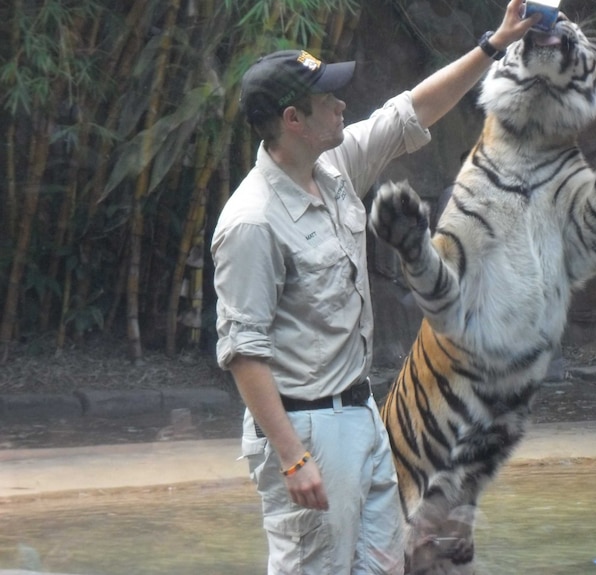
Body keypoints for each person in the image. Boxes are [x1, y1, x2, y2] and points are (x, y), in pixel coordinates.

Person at [210, 3, 540, 574]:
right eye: (327, 100)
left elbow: (410, 111)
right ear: (293, 119)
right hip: (306, 428)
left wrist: (494, 46)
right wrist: (291, 458)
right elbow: (244, 353)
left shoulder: (333, 166)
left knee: (384, 566)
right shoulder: (252, 222)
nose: (342, 105)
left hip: (363, 413)